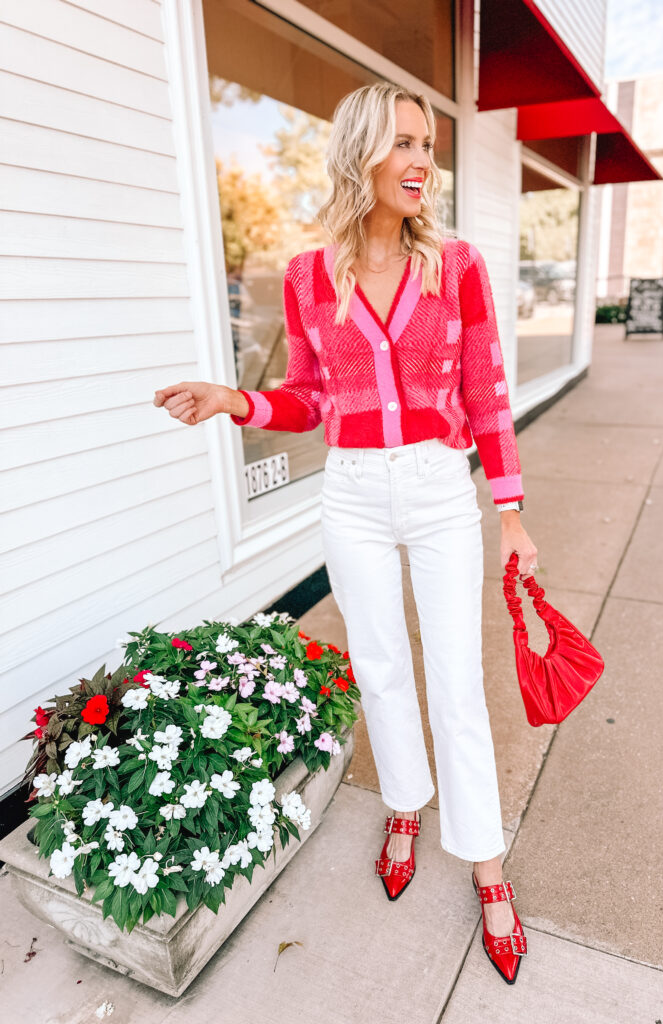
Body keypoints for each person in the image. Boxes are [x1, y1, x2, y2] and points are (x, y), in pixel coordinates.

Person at [154, 82, 538, 986]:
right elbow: (311, 398)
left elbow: (486, 393)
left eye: (429, 147)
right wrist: (235, 399)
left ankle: (485, 863)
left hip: (442, 490)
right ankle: (405, 804)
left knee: (456, 681)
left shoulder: (459, 266)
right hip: (355, 492)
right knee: (378, 664)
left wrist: (512, 515)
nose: (421, 163)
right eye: (403, 143)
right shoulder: (306, 274)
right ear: (359, 152)